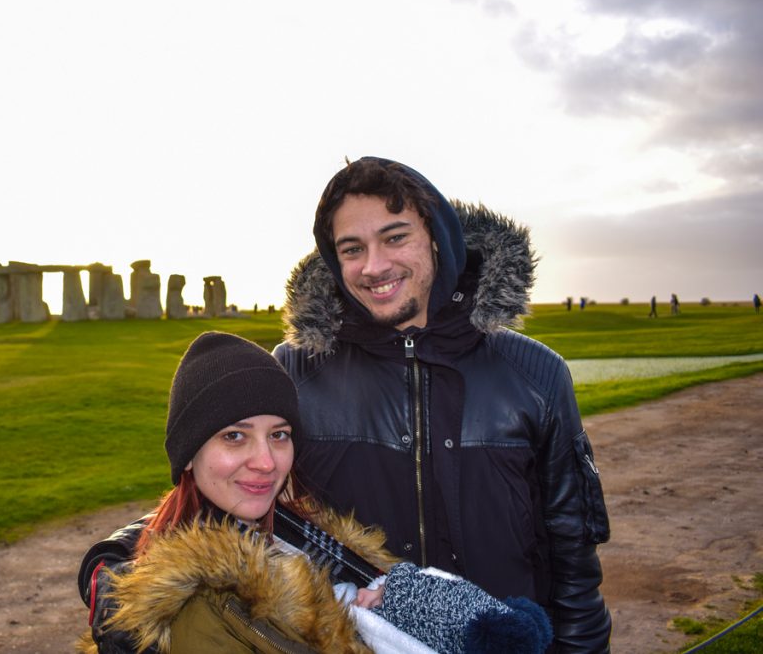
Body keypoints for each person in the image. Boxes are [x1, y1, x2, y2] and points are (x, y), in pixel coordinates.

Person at [273, 157, 611, 652]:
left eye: (395, 237)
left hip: (504, 640)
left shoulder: (536, 375)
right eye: (352, 249)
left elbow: (572, 552)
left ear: (436, 237)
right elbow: (232, 501)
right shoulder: (296, 372)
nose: (374, 266)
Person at [78, 332, 552, 654]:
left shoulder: (302, 537)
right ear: (188, 454)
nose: (266, 462)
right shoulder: (197, 608)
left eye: (279, 434)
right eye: (234, 436)